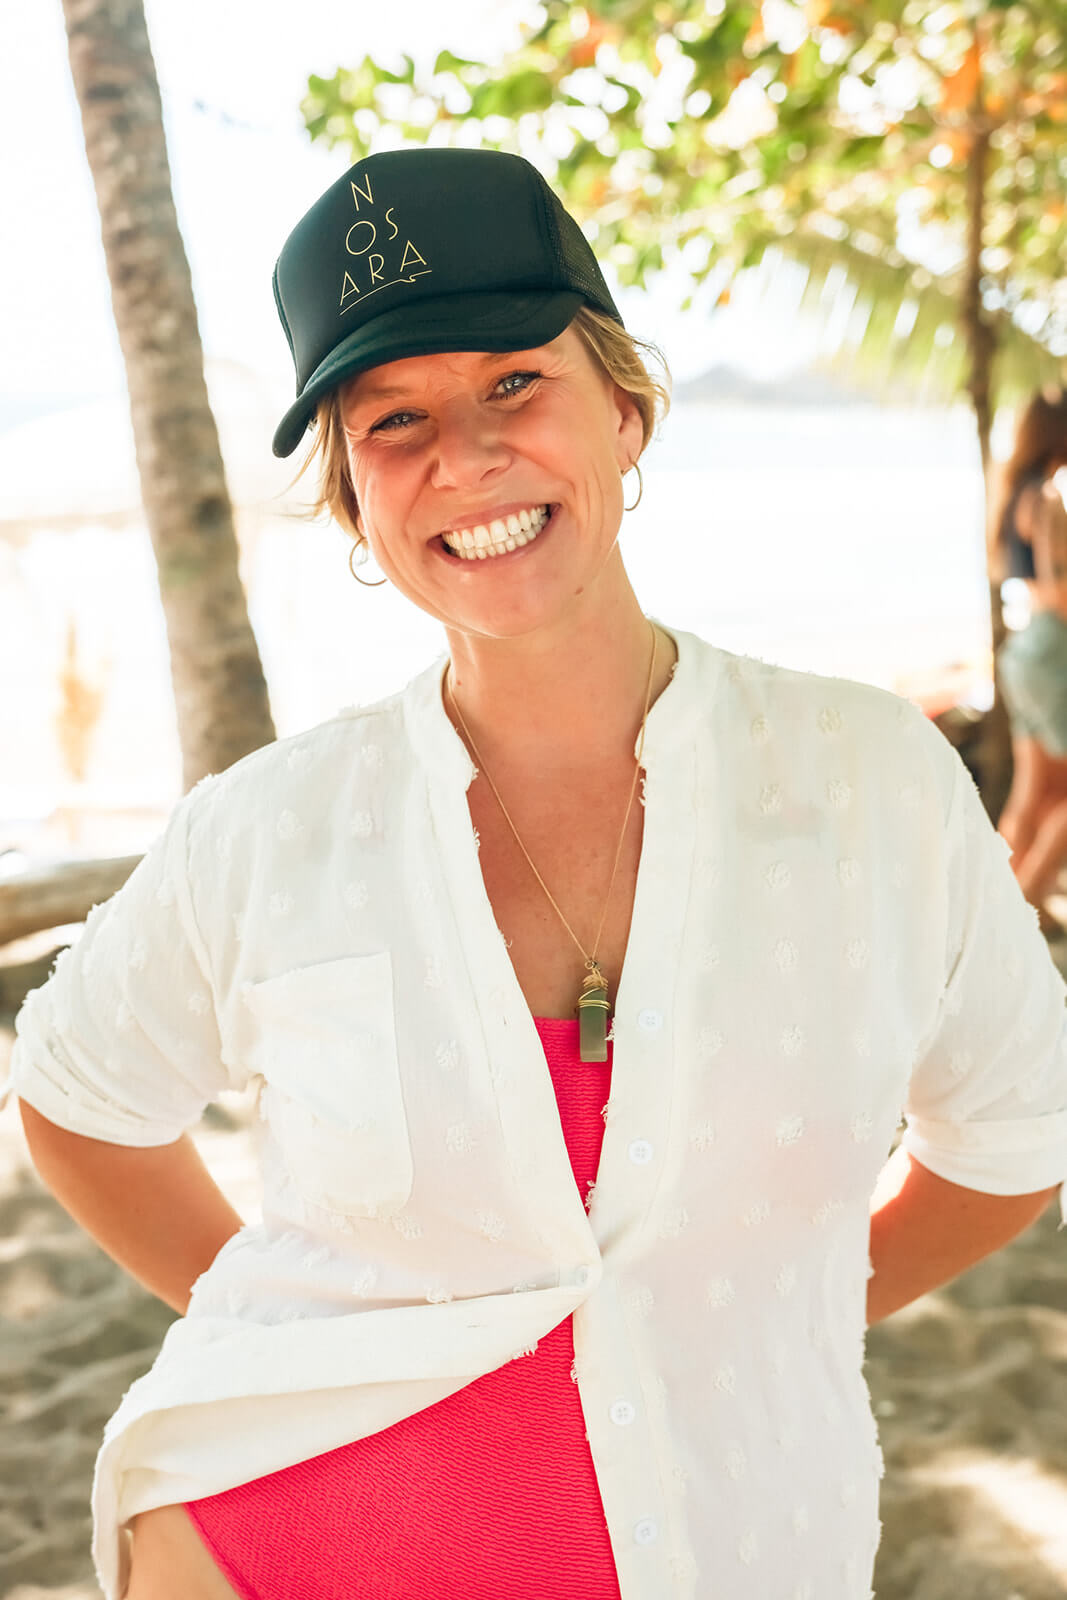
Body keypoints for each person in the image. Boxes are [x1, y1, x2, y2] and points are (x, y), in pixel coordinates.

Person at [5, 148, 1067, 1600]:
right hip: (271, 1545)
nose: (464, 455)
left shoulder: (868, 781)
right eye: (393, 421)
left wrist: (762, 1311)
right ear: (352, 505)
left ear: (623, 409)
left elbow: (1011, 1136)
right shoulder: (267, 831)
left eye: (515, 382)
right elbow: (74, 1096)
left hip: (728, 1538)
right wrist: (324, 1348)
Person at [992, 385, 1067, 933]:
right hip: (1051, 648)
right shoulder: (1046, 499)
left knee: (1030, 794)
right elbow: (1061, 590)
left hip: (1022, 651)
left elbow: (1011, 574)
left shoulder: (1012, 490)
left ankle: (986, 914)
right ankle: (1020, 928)